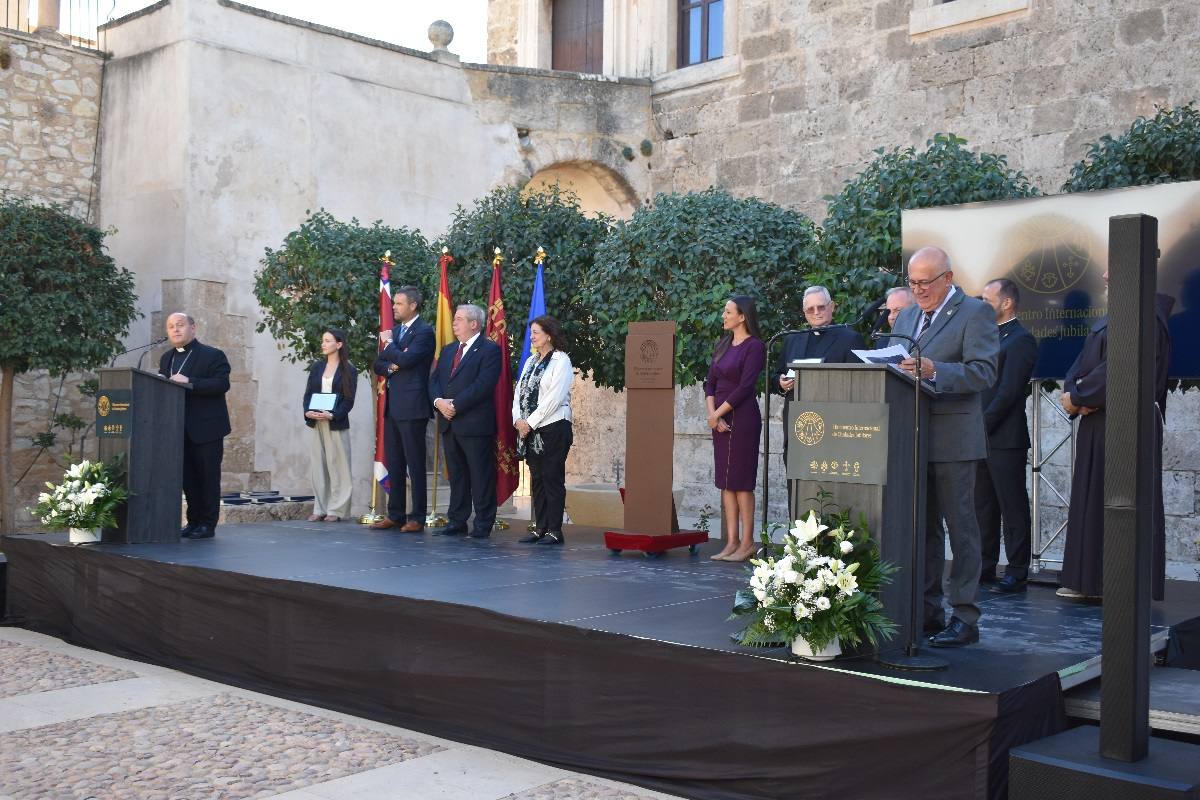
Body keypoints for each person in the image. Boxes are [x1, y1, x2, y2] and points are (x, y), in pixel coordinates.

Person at [890, 246, 998, 647]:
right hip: (911, 436)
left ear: (947, 279)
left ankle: (965, 617)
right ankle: (927, 611)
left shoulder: (975, 313)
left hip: (954, 439)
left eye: (924, 283)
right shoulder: (908, 315)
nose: (917, 290)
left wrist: (937, 370)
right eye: (912, 282)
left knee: (962, 529)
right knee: (924, 530)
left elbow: (984, 372)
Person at [1058, 271, 1171, 602]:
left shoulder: (1145, 317)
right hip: (1099, 420)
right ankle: (1091, 581)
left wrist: (1080, 397)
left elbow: (1118, 370)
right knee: (1093, 499)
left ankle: (1117, 583)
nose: (1107, 274)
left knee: (1121, 501)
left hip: (1126, 423)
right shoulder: (1118, 316)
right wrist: (1074, 393)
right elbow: (1080, 365)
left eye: (1114, 268)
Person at [975, 279, 1038, 593]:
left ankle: (1016, 570)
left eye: (987, 299)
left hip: (1004, 438)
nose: (981, 304)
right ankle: (984, 567)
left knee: (1011, 506)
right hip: (979, 435)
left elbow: (1009, 392)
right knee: (982, 507)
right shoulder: (986, 337)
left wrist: (981, 424)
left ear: (1006, 303)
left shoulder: (1021, 340)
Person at [429, 304, 502, 539]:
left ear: (474, 324)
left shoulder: (489, 350)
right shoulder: (449, 350)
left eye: (459, 319)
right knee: (457, 476)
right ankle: (457, 521)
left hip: (474, 424)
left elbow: (483, 385)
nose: (454, 323)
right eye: (455, 319)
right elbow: (435, 381)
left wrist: (455, 405)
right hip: (450, 423)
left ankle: (482, 524)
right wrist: (439, 401)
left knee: (480, 476)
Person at [158, 312, 231, 540]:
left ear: (193, 328)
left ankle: (208, 524)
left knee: (207, 478)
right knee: (188, 479)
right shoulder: (166, 358)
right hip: (177, 428)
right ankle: (193, 521)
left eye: (180, 325)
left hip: (206, 429)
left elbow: (221, 384)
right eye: (171, 327)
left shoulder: (213, 355)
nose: (175, 330)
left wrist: (190, 381)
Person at [705, 296, 767, 562]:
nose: (723, 315)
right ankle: (731, 542)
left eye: (728, 311)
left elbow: (745, 387)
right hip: (719, 420)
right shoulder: (723, 345)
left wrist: (718, 413)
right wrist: (712, 416)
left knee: (741, 482)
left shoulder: (755, 347)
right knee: (726, 483)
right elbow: (709, 384)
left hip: (742, 418)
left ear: (742, 317)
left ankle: (747, 543)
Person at [371, 286, 436, 532]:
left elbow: (408, 360)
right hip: (393, 406)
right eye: (394, 303)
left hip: (413, 406)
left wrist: (390, 347)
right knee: (395, 461)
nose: (394, 308)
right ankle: (395, 513)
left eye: (399, 304)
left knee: (415, 463)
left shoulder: (424, 332)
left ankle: (417, 517)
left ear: (413, 306)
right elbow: (379, 364)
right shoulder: (396, 332)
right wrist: (392, 364)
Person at [512, 315, 574, 545]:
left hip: (554, 427)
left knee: (551, 477)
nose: (532, 336)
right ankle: (540, 527)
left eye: (536, 332)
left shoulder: (561, 361)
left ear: (549, 334)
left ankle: (555, 530)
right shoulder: (530, 361)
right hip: (530, 431)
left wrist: (530, 422)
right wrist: (518, 419)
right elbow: (519, 393)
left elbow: (554, 398)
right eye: (531, 333)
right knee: (537, 478)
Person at [303, 328, 358, 522]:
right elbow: (308, 393)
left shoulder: (349, 369)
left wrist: (333, 414)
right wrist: (307, 411)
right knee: (318, 465)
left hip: (335, 423)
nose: (323, 344)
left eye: (328, 341)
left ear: (339, 344)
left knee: (339, 466)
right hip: (317, 421)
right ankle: (320, 508)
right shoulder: (317, 367)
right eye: (323, 341)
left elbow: (348, 400)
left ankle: (337, 509)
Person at [772, 286, 865, 396]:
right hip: (796, 410)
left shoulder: (850, 339)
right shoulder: (792, 339)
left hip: (832, 408)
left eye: (821, 307)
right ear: (804, 312)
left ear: (831, 306)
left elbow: (861, 381)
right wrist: (781, 383)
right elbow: (777, 375)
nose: (816, 312)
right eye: (810, 309)